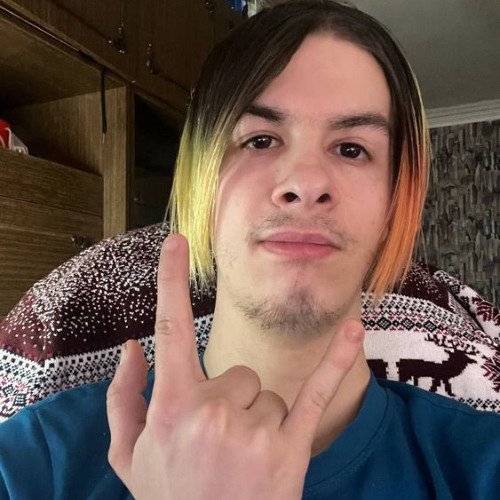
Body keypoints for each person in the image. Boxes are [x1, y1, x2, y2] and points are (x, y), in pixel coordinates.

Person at [0, 1, 499, 498]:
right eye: (260, 140)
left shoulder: (483, 467)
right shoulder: (34, 464)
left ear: (394, 202)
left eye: (352, 149)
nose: (306, 183)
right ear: (200, 182)